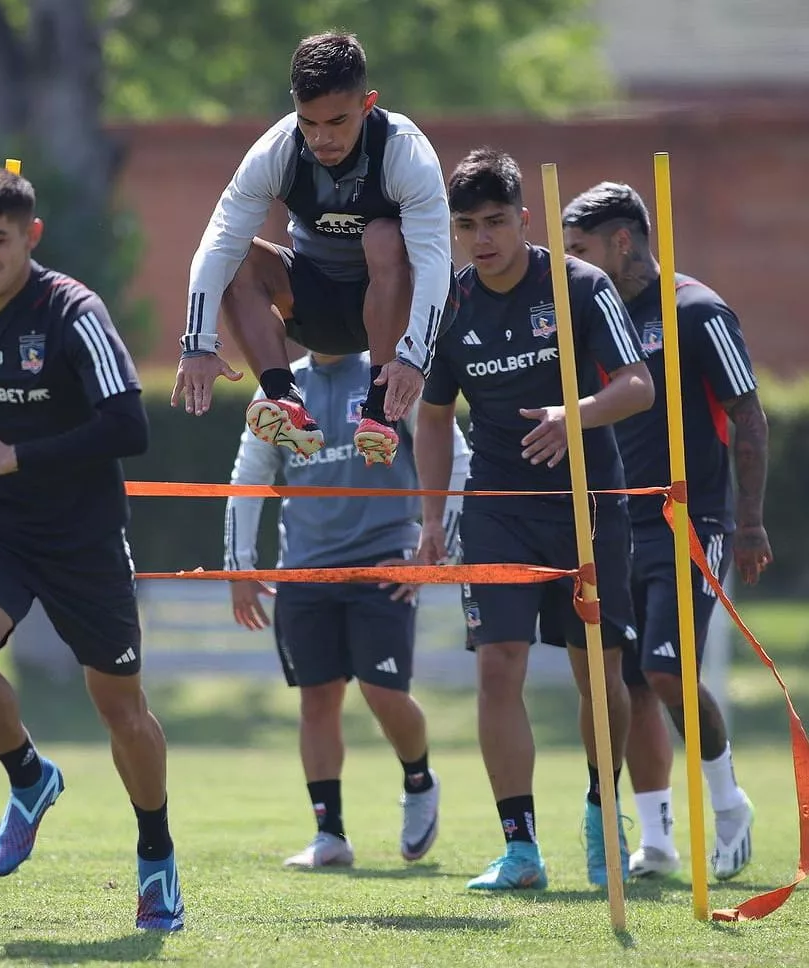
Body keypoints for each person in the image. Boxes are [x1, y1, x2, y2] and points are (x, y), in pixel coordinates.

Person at [0, 167, 184, 931]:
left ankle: (156, 859)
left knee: (121, 710)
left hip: (84, 537)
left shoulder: (71, 311)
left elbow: (130, 429)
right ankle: (30, 777)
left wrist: (17, 454)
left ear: (30, 237)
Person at [415, 148, 655, 891]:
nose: (481, 238)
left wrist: (570, 414)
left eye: (494, 222)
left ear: (523, 219)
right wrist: (432, 518)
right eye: (465, 226)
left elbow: (638, 387)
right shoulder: (446, 302)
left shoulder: (579, 286)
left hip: (586, 507)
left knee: (598, 671)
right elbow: (430, 417)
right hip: (495, 510)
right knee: (497, 666)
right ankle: (519, 847)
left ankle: (598, 807)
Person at [563, 182, 768, 880]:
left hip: (692, 517)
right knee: (627, 682)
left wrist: (748, 523)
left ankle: (728, 800)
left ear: (623, 241)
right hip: (617, 519)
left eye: (582, 250)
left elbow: (747, 413)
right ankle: (655, 838)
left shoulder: (696, 310)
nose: (575, 266)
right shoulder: (592, 314)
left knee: (663, 668)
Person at [224, 350, 470, 867]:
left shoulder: (391, 372)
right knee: (316, 701)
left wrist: (435, 546)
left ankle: (420, 781)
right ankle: (329, 834)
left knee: (384, 692)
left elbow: (452, 451)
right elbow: (248, 479)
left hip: (384, 563)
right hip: (305, 571)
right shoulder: (280, 385)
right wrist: (240, 567)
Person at [172, 31, 458, 469]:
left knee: (383, 234)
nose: (321, 139)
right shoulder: (278, 150)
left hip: (390, 310)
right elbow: (217, 241)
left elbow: (434, 261)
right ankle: (283, 400)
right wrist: (197, 344)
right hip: (313, 309)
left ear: (368, 103)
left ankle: (378, 411)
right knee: (240, 255)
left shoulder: (404, 151)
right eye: (309, 122)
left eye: (337, 122)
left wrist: (414, 358)